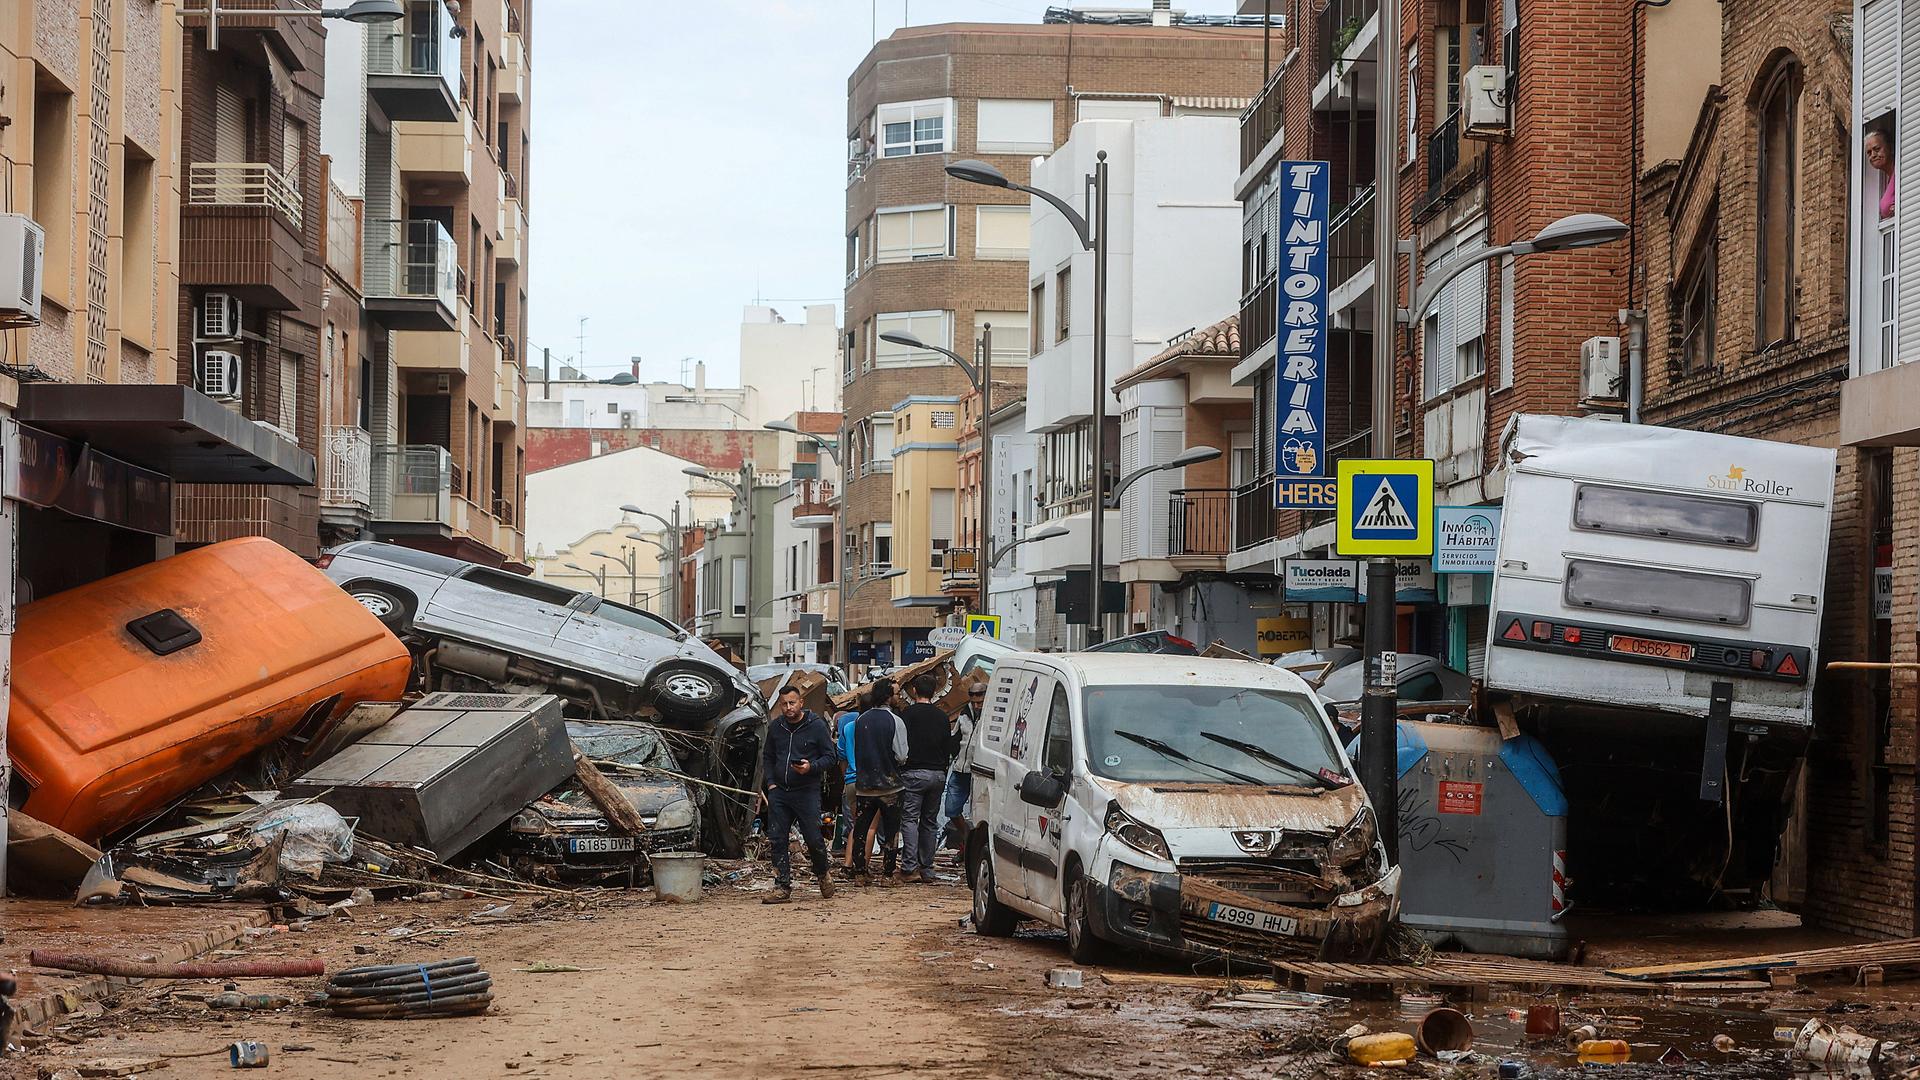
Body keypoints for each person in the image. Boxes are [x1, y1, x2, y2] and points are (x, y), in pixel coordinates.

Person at [759, 685, 837, 904]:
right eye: (784, 704)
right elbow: (768, 756)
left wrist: (810, 767)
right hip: (780, 793)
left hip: (806, 791)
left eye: (792, 703)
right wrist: (771, 783)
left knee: (813, 837)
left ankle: (822, 874)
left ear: (801, 703)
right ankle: (782, 885)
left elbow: (830, 757)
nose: (788, 708)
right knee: (777, 838)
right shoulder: (776, 727)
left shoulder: (816, 726)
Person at [850, 677, 908, 885]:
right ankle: (887, 874)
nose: (899, 697)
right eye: (896, 693)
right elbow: (902, 755)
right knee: (892, 830)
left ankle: (859, 872)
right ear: (888, 697)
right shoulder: (895, 721)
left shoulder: (860, 720)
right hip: (890, 785)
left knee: (861, 828)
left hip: (864, 784)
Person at [897, 674, 954, 884]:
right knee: (930, 822)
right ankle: (927, 868)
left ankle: (909, 866)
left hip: (913, 773)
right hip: (937, 774)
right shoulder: (942, 717)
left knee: (910, 820)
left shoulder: (907, 715)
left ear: (914, 691)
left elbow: (900, 745)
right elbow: (948, 746)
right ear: (935, 692)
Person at [941, 682, 984, 851]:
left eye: (979, 702)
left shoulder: (990, 716)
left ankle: (970, 849)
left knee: (977, 814)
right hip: (960, 769)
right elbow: (955, 737)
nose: (976, 705)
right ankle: (966, 838)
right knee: (951, 809)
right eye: (973, 701)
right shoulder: (964, 715)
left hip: (980, 772)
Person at [831, 690, 866, 860]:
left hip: (852, 779)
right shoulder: (882, 724)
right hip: (874, 782)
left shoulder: (847, 726)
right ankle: (863, 865)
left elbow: (841, 756)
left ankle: (849, 860)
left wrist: (846, 777)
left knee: (853, 823)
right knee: (871, 825)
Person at [1869, 129, 1897, 219]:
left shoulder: (1901, 172)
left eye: (1877, 149)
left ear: (1891, 148)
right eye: (1869, 153)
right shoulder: (1889, 180)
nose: (1873, 155)